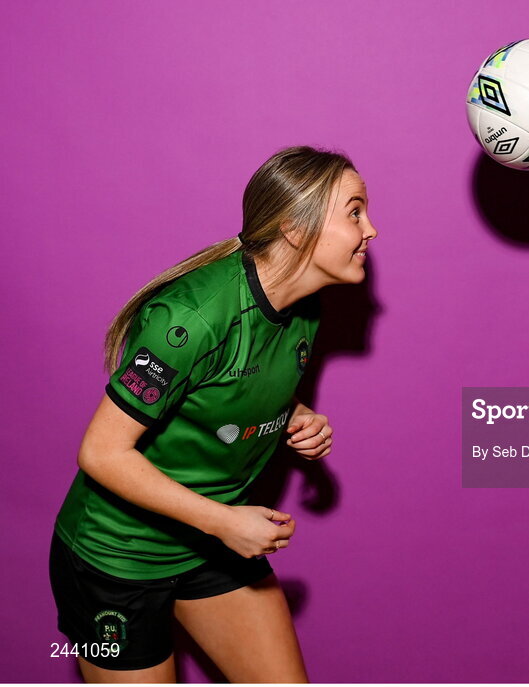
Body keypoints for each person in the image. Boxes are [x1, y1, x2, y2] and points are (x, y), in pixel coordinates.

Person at [50, 146, 377, 682]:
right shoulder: (190, 319)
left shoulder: (304, 307)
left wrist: (293, 413)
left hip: (208, 542)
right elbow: (102, 452)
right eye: (355, 211)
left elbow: (230, 380)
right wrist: (226, 522)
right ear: (295, 229)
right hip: (118, 561)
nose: (372, 231)